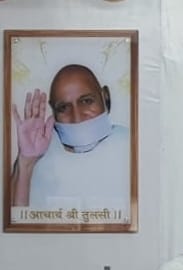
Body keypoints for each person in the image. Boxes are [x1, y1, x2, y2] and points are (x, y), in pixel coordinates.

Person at [10, 64, 130, 212]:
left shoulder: (132, 146)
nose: (77, 118)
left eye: (86, 101)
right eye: (64, 108)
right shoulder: (40, 153)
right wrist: (26, 162)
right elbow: (15, 219)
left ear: (106, 98)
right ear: (53, 112)